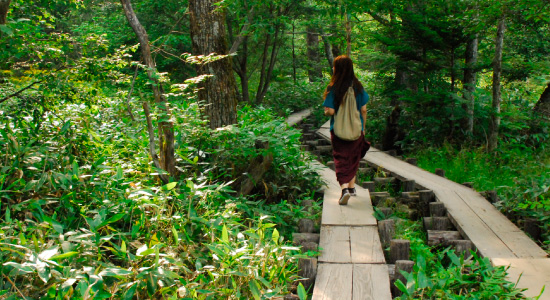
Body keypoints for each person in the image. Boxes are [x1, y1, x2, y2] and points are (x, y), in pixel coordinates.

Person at [323, 55, 370, 205]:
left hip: (338, 130)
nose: (333, 68)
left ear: (338, 68)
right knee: (353, 157)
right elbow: (363, 109)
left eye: (335, 66)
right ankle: (352, 188)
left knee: (340, 159)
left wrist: (326, 111)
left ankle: (344, 189)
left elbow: (330, 111)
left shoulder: (334, 87)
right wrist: (363, 128)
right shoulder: (358, 87)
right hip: (356, 130)